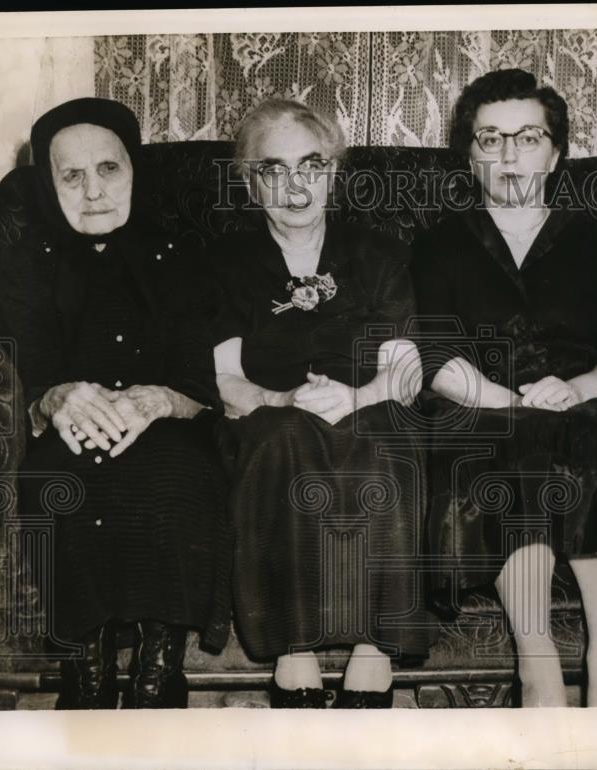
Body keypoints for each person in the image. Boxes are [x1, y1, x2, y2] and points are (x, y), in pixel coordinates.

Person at [411, 69, 597, 707]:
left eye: (527, 137)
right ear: (469, 155)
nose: (508, 155)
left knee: (595, 435)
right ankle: (537, 666)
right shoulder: (439, 245)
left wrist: (583, 384)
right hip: (478, 403)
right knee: (512, 440)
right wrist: (507, 399)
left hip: (589, 403)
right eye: (489, 139)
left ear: (556, 153)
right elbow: (433, 352)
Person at [0, 97, 232, 709]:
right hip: (69, 430)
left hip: (166, 427)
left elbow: (198, 381)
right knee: (65, 479)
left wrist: (161, 400)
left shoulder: (181, 255)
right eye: (71, 175)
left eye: (109, 169)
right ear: (48, 183)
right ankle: (86, 679)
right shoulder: (22, 263)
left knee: (180, 475)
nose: (93, 191)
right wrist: (58, 397)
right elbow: (35, 372)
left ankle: (159, 680)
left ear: (135, 171)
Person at [212, 98, 433, 709]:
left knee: (389, 434)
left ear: (333, 172)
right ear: (251, 183)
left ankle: (374, 652)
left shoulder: (379, 253)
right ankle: (294, 651)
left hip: (372, 398)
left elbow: (406, 371)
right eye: (273, 169)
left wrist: (355, 397)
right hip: (272, 407)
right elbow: (226, 380)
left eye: (310, 165)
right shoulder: (225, 262)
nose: (294, 186)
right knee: (278, 436)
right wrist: (283, 397)